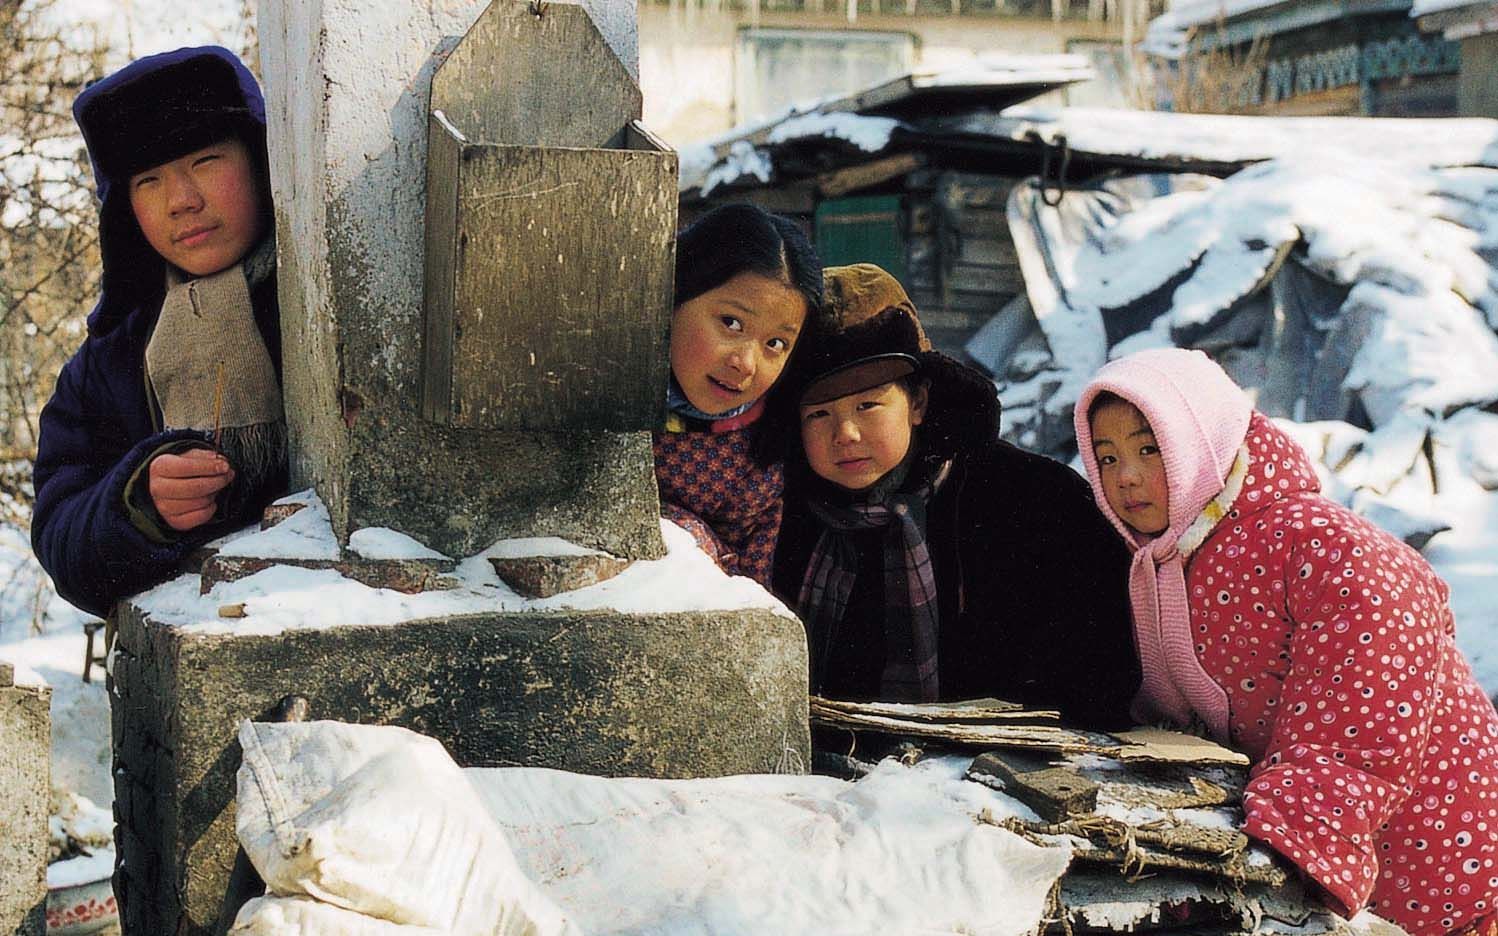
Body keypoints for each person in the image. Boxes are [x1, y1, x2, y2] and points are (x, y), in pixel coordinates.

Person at [1074, 347, 1498, 936]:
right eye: (1107, 457)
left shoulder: (1312, 539)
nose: (1127, 476)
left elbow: (1370, 681)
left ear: (1204, 442)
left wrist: (1301, 832)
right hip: (1330, 856)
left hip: (1431, 840)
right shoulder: (1163, 560)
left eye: (1151, 448)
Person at [772, 263, 1139, 726]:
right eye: (819, 414)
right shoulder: (774, 515)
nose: (845, 433)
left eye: (868, 405)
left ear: (919, 402)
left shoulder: (1037, 505)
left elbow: (1098, 672)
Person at [32, 47, 286, 618]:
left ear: (262, 160)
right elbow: (60, 535)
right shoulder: (105, 364)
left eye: (206, 161)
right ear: (124, 209)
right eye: (149, 180)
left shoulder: (327, 311)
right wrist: (137, 504)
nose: (182, 201)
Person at [653, 204, 823, 588]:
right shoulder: (595, 402)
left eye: (776, 343)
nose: (745, 364)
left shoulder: (767, 464)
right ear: (677, 296)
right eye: (731, 323)